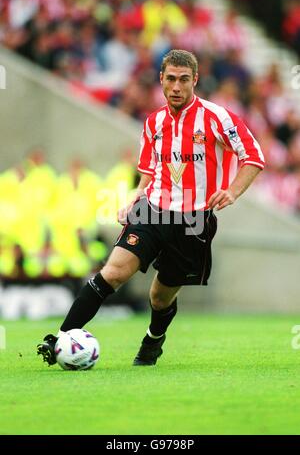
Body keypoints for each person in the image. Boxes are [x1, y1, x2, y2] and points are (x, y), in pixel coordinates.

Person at [37, 49, 265, 367]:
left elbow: (253, 157)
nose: (176, 87)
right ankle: (62, 338)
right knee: (112, 273)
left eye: (184, 80)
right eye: (170, 79)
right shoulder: (154, 122)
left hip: (193, 221)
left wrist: (232, 192)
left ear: (195, 80)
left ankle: (153, 340)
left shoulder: (217, 118)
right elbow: (149, 169)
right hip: (152, 209)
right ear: (161, 79)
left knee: (159, 298)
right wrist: (136, 196)